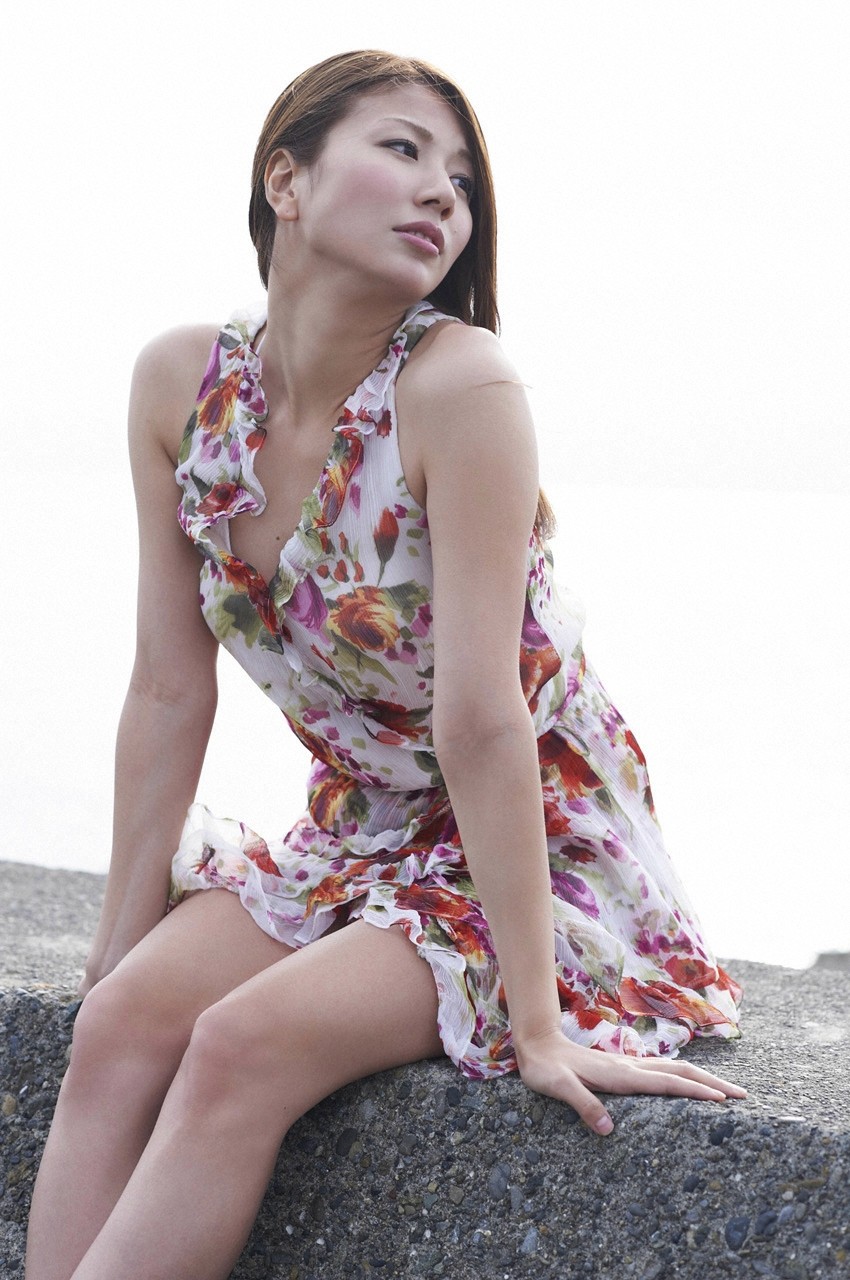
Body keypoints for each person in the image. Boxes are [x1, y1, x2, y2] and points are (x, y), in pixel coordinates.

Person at [25, 49, 745, 1280]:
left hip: (538, 846)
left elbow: (482, 718)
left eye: (460, 178)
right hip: (364, 833)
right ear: (286, 181)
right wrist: (116, 941)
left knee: (239, 1044)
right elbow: (166, 685)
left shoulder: (460, 385)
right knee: (119, 1023)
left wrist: (536, 1026)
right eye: (404, 149)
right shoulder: (181, 387)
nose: (441, 193)